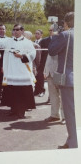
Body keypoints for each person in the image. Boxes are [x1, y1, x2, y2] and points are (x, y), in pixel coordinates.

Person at [0, 24, 36, 118]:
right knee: (12, 92)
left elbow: (32, 54)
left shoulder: (28, 42)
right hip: (11, 71)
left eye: (17, 30)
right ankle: (13, 110)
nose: (15, 31)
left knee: (22, 93)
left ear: (22, 31)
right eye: (14, 30)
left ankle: (21, 112)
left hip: (22, 72)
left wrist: (21, 56)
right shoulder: (8, 41)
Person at [48, 12, 77, 149]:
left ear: (66, 23)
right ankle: (71, 139)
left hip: (69, 79)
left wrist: (55, 36)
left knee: (71, 114)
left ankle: (74, 144)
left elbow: (52, 51)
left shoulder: (66, 35)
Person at [34, 29, 46, 97]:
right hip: (34, 62)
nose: (36, 35)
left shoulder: (43, 42)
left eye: (38, 33)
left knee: (40, 77)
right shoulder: (33, 42)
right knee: (35, 77)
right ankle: (36, 90)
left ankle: (42, 90)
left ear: (41, 35)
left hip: (41, 62)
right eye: (35, 33)